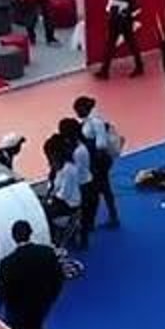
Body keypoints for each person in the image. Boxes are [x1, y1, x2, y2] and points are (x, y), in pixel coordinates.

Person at [75, 95, 123, 230]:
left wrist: (86, 142)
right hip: (95, 160)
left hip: (99, 161)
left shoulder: (96, 122)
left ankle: (111, 217)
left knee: (101, 189)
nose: (77, 114)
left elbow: (100, 145)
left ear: (85, 108)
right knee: (102, 189)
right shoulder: (87, 121)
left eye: (78, 110)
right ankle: (110, 216)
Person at [97, 0, 143, 79]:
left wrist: (125, 12)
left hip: (124, 22)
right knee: (112, 45)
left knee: (129, 44)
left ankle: (139, 66)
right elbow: (110, 6)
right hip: (116, 21)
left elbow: (133, 5)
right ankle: (105, 70)